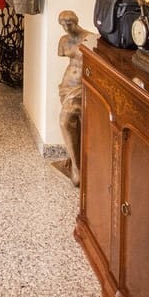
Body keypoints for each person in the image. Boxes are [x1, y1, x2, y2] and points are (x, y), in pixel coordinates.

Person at [56, 10, 95, 187]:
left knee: (65, 121)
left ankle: (77, 168)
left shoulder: (90, 39)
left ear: (76, 21)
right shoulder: (63, 41)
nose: (66, 27)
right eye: (62, 24)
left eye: (69, 23)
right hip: (66, 87)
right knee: (75, 123)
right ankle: (73, 158)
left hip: (80, 87)